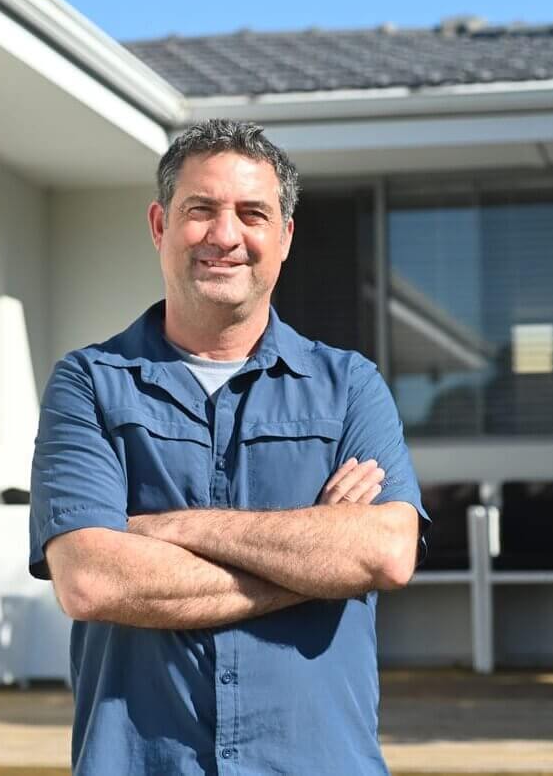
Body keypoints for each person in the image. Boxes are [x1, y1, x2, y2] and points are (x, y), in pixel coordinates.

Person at [29, 119, 429, 775]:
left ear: (285, 237)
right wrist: (314, 566)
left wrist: (171, 529)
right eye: (201, 210)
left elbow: (386, 552)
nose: (225, 235)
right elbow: (93, 578)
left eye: (252, 213)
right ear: (160, 226)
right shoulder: (88, 384)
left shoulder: (348, 387)